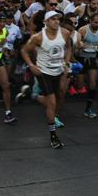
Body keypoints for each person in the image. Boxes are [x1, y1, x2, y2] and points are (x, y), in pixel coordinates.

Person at [20, 10, 70, 149]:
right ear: (46, 22)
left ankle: (31, 94)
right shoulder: (38, 37)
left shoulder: (65, 33)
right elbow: (24, 51)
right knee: (52, 103)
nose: (56, 21)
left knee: (60, 94)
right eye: (53, 19)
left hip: (59, 71)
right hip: (44, 72)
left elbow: (69, 48)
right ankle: (53, 136)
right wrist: (31, 65)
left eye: (58, 19)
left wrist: (66, 63)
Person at [76, 12, 98, 119]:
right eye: (95, 22)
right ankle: (72, 82)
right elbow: (76, 45)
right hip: (80, 58)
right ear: (90, 21)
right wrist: (80, 44)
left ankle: (88, 109)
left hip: (92, 58)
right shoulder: (83, 30)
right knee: (79, 85)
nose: (97, 25)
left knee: (93, 83)